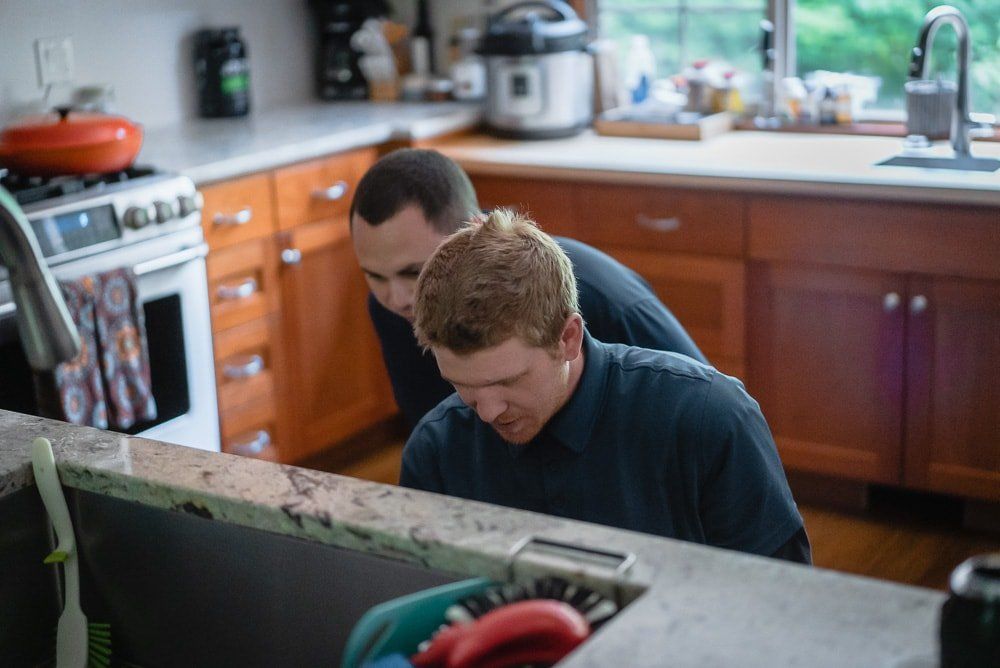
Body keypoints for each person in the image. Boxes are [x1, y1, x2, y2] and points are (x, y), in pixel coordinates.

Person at [401, 209, 811, 564]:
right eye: (462, 385)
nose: (487, 412)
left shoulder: (709, 419)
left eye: (508, 381)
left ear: (568, 338)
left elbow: (778, 600)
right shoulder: (435, 452)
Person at [350, 148, 707, 429]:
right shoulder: (392, 307)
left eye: (415, 272)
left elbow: (708, 409)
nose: (396, 299)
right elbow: (431, 427)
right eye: (375, 276)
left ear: (476, 230)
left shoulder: (606, 300)